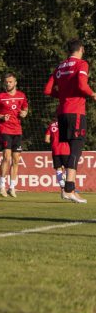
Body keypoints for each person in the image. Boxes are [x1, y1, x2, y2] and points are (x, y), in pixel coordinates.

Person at [43, 38, 96, 203]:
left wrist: (62, 96)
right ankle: (68, 189)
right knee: (76, 150)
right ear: (81, 49)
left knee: (71, 149)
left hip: (62, 114)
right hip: (76, 112)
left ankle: (70, 190)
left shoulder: (60, 66)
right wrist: (93, 94)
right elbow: (82, 85)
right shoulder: (82, 64)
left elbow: (47, 90)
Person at [0, 73, 28, 197]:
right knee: (6, 157)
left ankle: (12, 187)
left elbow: (25, 109)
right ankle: (2, 186)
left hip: (17, 130)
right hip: (5, 129)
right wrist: (1, 116)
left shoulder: (21, 95)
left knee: (16, 160)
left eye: (10, 82)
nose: (8, 84)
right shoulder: (0, 96)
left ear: (15, 82)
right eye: (6, 82)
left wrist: (24, 113)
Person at [45, 119, 68, 196]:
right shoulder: (67, 124)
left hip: (56, 150)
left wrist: (54, 142)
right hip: (66, 149)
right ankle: (69, 189)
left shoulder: (51, 126)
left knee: (58, 170)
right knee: (69, 169)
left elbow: (46, 140)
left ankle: (62, 189)